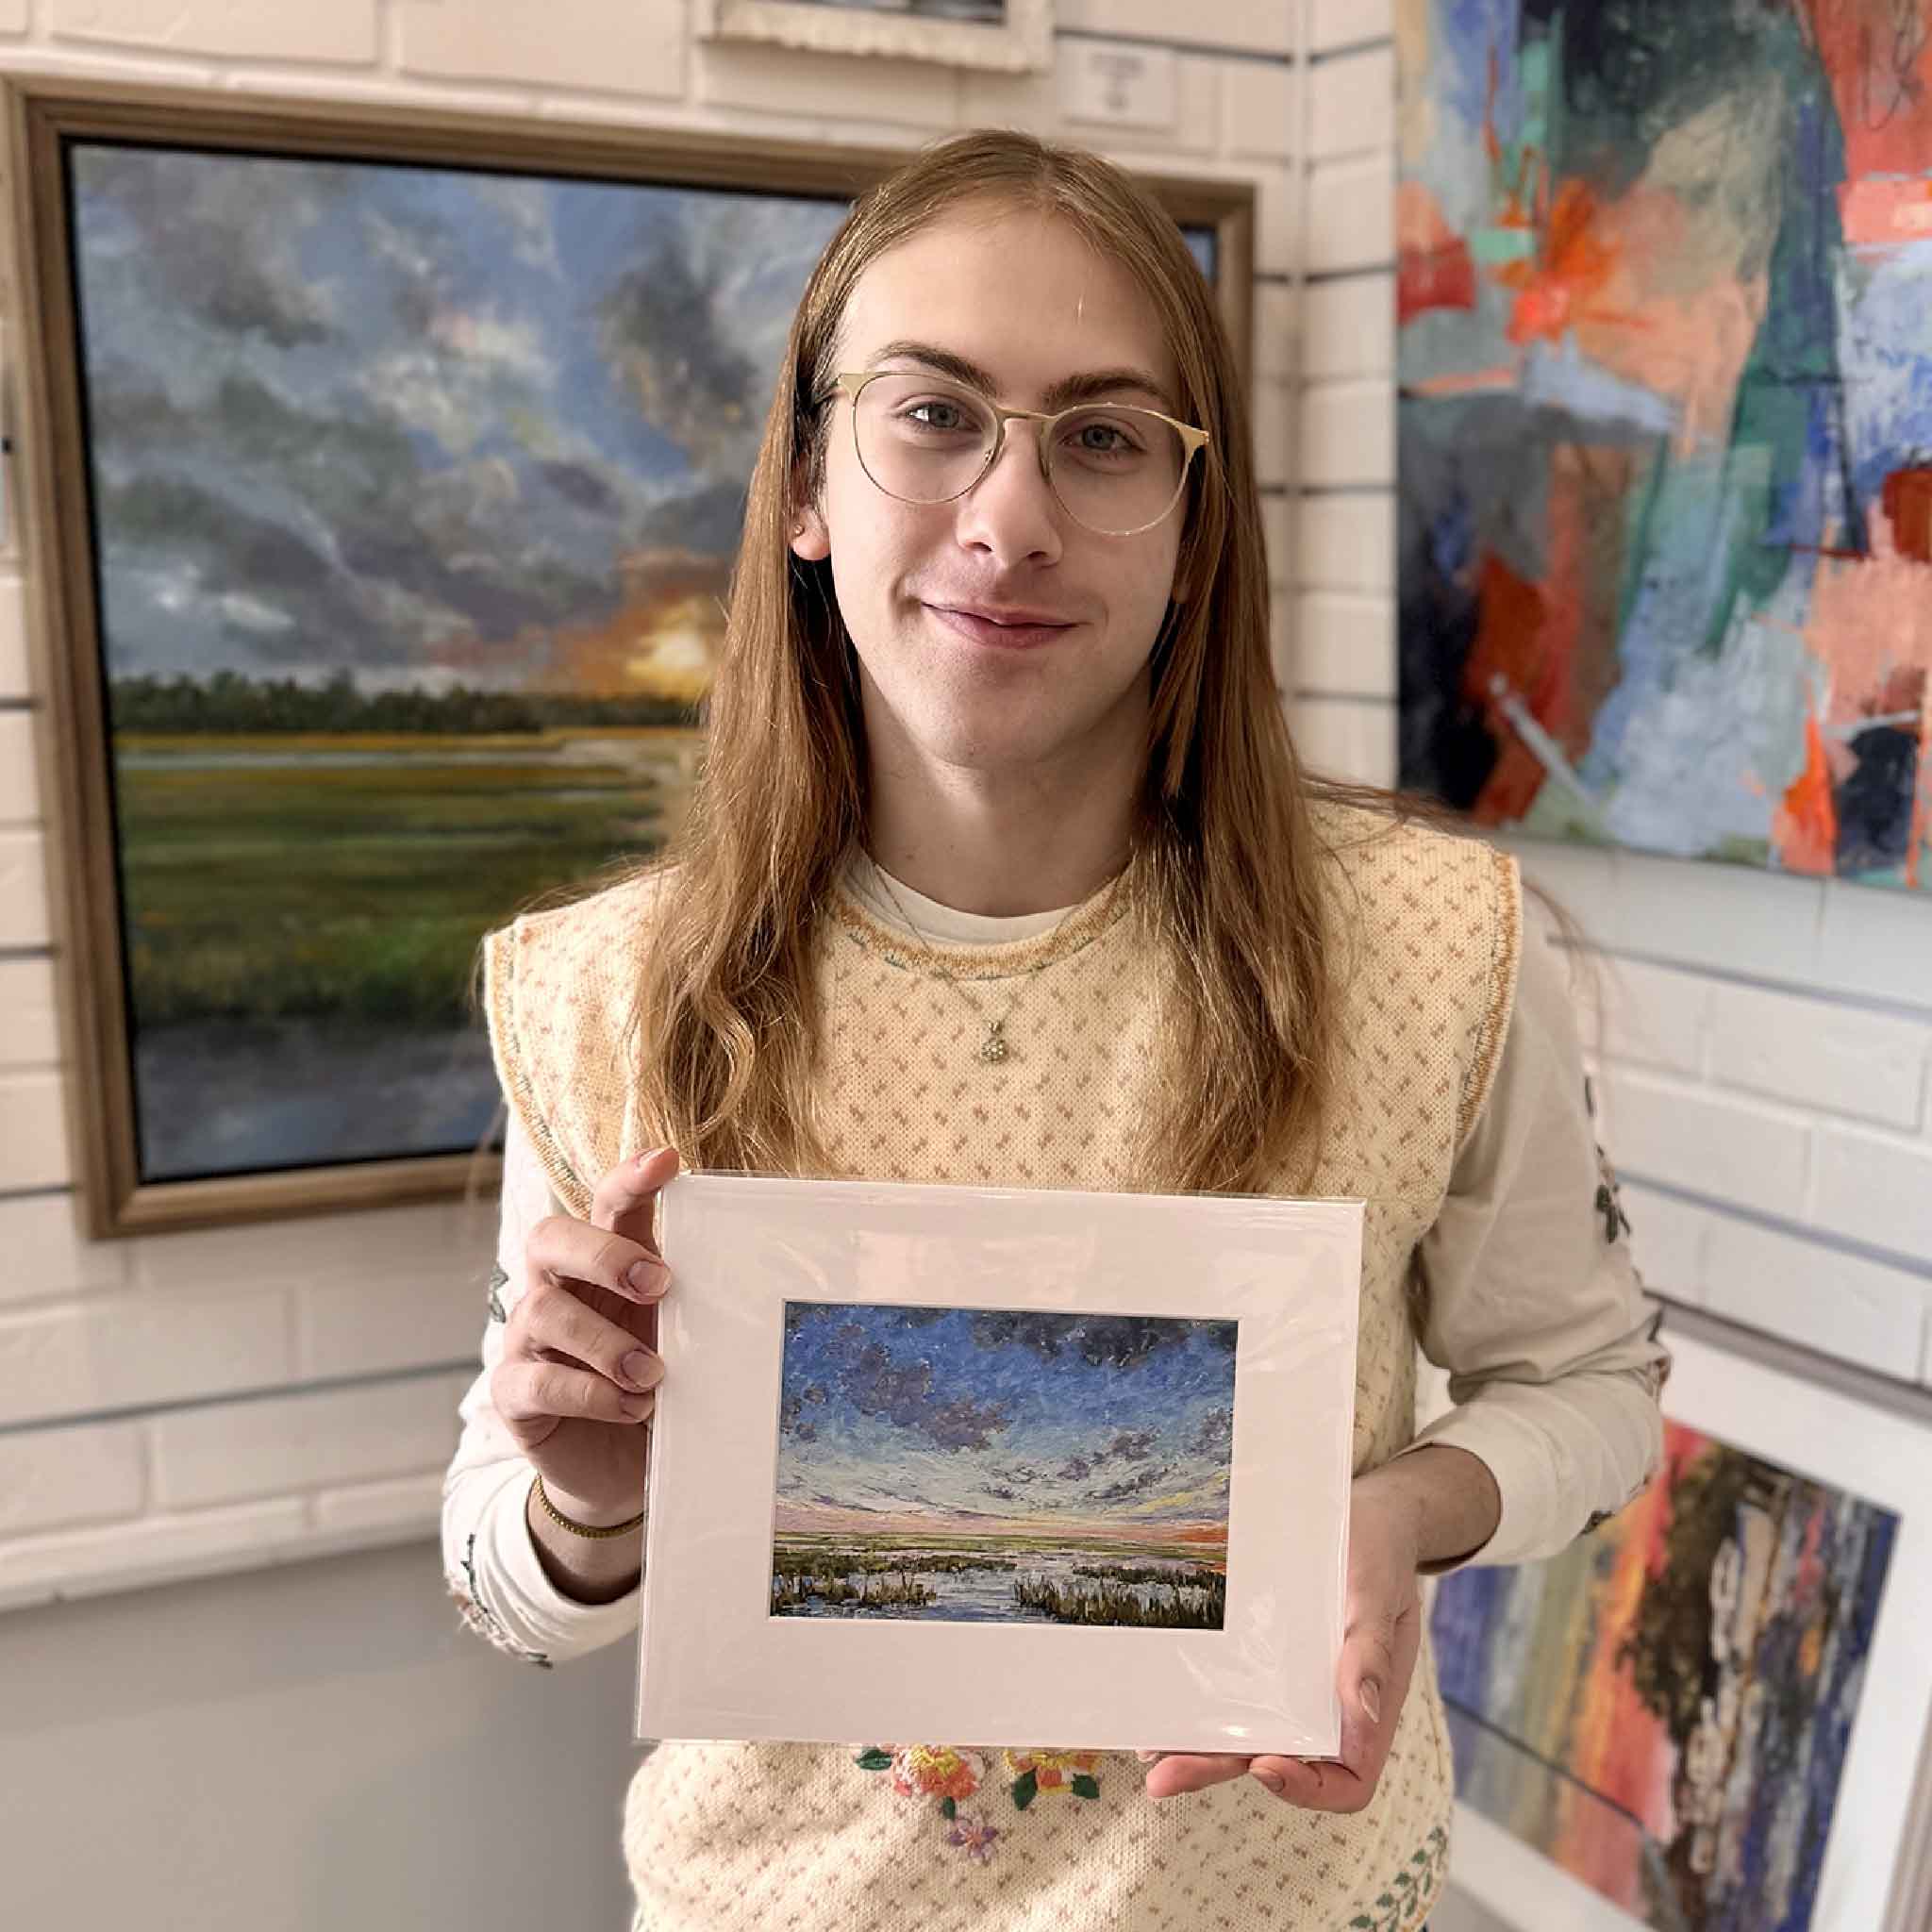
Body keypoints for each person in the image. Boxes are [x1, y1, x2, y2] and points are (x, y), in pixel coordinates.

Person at [441, 128, 1667, 1929]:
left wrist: (1403, 1512)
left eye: (1103, 439)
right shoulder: (612, 994)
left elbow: (1594, 1390)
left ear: (1194, 525)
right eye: (933, 414)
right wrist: (592, 1504)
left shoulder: (1432, 951)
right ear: (807, 480)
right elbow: (506, 1583)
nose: (1009, 521)